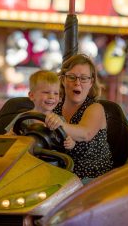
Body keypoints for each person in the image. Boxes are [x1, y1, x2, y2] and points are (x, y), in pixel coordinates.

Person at [45, 54, 113, 182]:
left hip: (92, 178)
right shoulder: (55, 108)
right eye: (72, 77)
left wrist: (59, 124)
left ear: (91, 82)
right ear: (63, 80)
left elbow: (85, 133)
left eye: (84, 78)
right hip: (60, 174)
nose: (77, 83)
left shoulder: (95, 108)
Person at [5, 70, 75, 150]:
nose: (51, 97)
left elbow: (69, 140)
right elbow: (6, 138)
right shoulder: (22, 118)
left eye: (56, 93)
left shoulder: (59, 121)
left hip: (51, 160)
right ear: (32, 95)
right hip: (26, 159)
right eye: (46, 92)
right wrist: (10, 136)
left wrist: (71, 143)